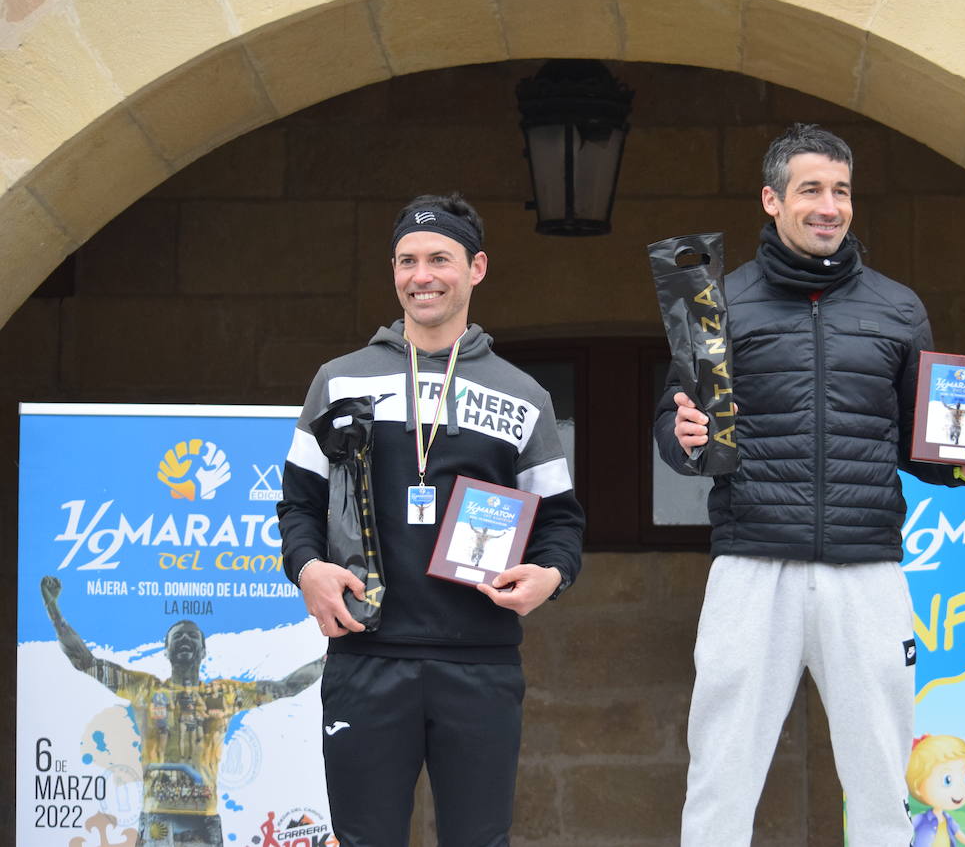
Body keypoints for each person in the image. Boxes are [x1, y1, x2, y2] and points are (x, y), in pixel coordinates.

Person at [655, 123, 965, 845]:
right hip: (752, 563)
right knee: (721, 771)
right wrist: (682, 438)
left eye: (841, 191)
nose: (829, 206)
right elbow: (674, 427)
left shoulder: (897, 308)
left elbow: (921, 445)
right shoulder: (717, 304)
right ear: (772, 199)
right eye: (811, 189)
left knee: (884, 773)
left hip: (866, 568)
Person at [278, 192, 584, 847]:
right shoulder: (337, 382)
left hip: (479, 663)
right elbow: (298, 504)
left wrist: (548, 577)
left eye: (439, 258)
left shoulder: (522, 395)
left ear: (476, 268)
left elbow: (562, 523)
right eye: (407, 260)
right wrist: (307, 571)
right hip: (366, 657)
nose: (422, 275)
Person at [39, 575, 324, 847]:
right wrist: (54, 610)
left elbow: (287, 686)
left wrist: (331, 656)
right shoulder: (146, 690)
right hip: (157, 816)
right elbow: (85, 662)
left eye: (191, 637)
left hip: (204, 819)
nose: (185, 639)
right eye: (178, 637)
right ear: (166, 650)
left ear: (203, 650)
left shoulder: (224, 695)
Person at [907, 734, 965, 847]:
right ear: (918, 785)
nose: (960, 788)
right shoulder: (920, 819)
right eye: (947, 780)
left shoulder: (949, 820)